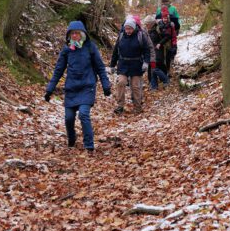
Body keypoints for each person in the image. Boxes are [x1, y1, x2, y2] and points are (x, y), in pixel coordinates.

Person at [45, 20, 111, 152]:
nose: (74, 36)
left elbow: (100, 67)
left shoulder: (90, 47)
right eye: (72, 34)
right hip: (71, 88)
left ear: (82, 34)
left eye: (77, 33)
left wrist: (105, 85)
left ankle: (89, 145)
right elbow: (58, 70)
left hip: (87, 87)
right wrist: (50, 89)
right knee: (69, 118)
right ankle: (71, 138)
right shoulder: (66, 50)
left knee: (84, 114)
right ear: (69, 36)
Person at [109, 17, 152, 114]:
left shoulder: (140, 36)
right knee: (121, 82)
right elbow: (115, 51)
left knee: (135, 86)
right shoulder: (121, 36)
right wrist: (112, 65)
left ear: (134, 28)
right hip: (123, 64)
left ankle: (137, 106)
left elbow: (146, 50)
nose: (128, 31)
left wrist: (146, 62)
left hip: (136, 65)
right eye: (126, 28)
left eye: (130, 29)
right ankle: (120, 106)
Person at [143, 15, 169, 90]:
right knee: (152, 68)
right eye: (145, 24)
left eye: (147, 24)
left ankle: (165, 79)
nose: (146, 25)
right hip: (152, 52)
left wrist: (160, 43)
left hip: (158, 52)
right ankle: (154, 86)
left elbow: (167, 36)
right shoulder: (149, 30)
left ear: (151, 23)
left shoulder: (158, 29)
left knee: (155, 68)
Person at [157, 6, 178, 75]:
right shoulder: (159, 25)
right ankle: (163, 72)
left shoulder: (171, 25)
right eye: (164, 18)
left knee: (168, 58)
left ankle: (168, 71)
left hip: (169, 44)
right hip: (161, 44)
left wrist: (174, 44)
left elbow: (174, 36)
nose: (165, 19)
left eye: (166, 18)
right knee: (162, 59)